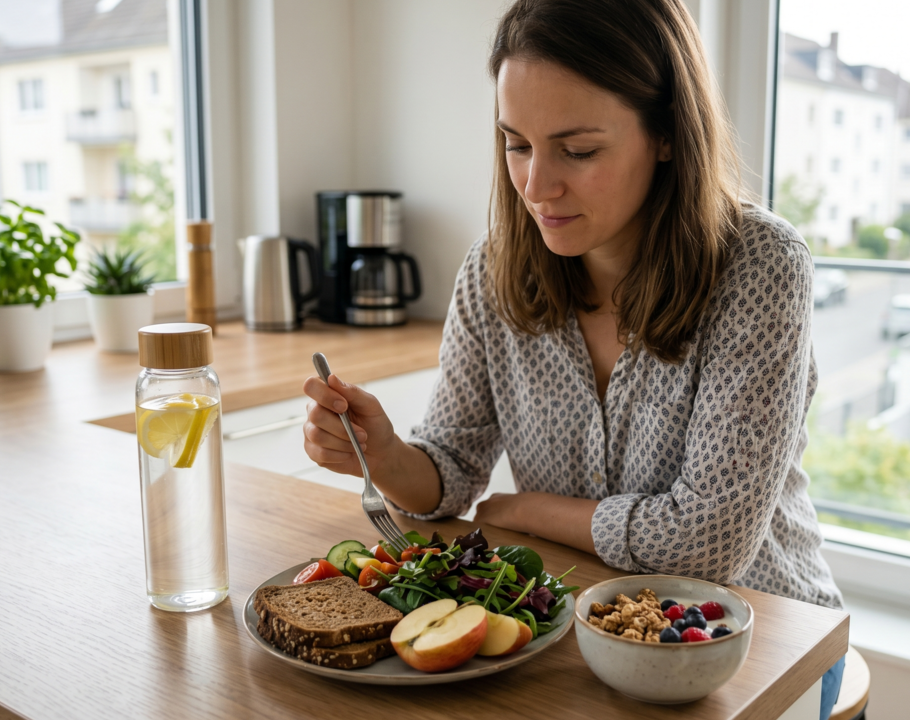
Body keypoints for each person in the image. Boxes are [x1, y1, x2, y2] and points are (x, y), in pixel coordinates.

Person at [301, 0, 845, 715]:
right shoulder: (492, 270)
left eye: (578, 150)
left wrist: (526, 509)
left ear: (666, 136)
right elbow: (453, 472)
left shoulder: (760, 267)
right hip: (588, 631)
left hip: (766, 640)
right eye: (515, 143)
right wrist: (384, 454)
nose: (535, 185)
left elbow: (708, 546)